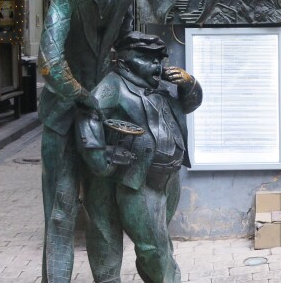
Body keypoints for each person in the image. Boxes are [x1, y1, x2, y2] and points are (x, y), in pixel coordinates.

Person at [37, 0, 139, 283]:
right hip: (64, 111)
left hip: (104, 114)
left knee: (103, 213)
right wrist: (82, 95)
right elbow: (49, 60)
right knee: (61, 212)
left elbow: (129, 47)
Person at [77, 32, 202, 283]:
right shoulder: (115, 85)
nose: (157, 65)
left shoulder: (159, 87)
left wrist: (190, 84)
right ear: (123, 62)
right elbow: (89, 114)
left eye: (159, 59)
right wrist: (99, 158)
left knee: (159, 240)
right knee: (152, 247)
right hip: (138, 179)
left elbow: (189, 105)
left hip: (169, 178)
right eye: (147, 58)